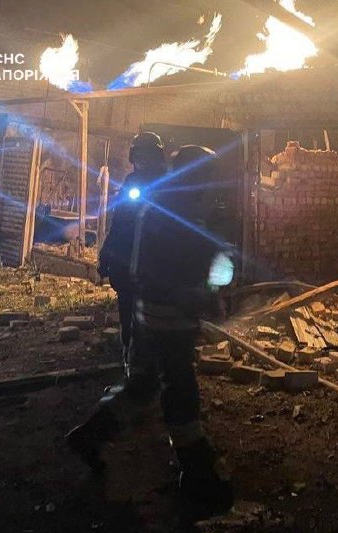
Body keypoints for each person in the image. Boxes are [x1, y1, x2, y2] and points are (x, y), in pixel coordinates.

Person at [67, 144, 234, 520]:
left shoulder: (166, 206)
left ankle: (89, 436)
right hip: (169, 318)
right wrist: (197, 294)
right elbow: (165, 267)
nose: (213, 188)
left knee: (144, 385)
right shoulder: (176, 214)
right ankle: (196, 473)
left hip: (154, 314)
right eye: (209, 179)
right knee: (180, 391)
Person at [97, 132, 167, 373]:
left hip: (154, 262)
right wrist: (107, 253)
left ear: (157, 157)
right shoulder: (131, 182)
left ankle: (150, 363)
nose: (142, 160)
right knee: (126, 307)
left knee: (151, 316)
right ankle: (129, 356)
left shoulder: (166, 184)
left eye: (147, 155)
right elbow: (120, 221)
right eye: (139, 155)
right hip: (128, 259)